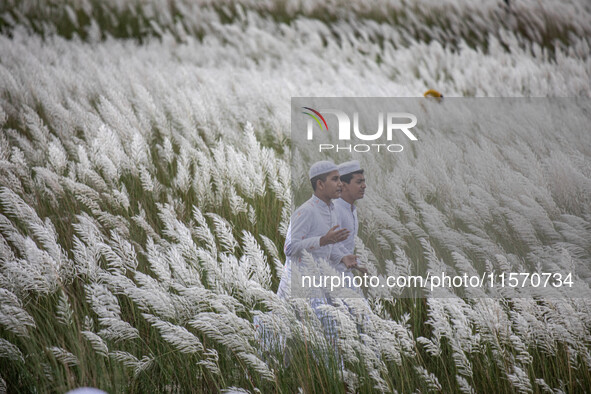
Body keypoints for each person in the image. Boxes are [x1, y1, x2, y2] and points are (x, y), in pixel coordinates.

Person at [276, 160, 357, 301]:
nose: (341, 184)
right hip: (299, 284)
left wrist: (342, 257)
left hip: (320, 282)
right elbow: (289, 248)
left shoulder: (332, 210)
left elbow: (329, 246)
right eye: (335, 179)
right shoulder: (306, 211)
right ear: (320, 184)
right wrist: (322, 240)